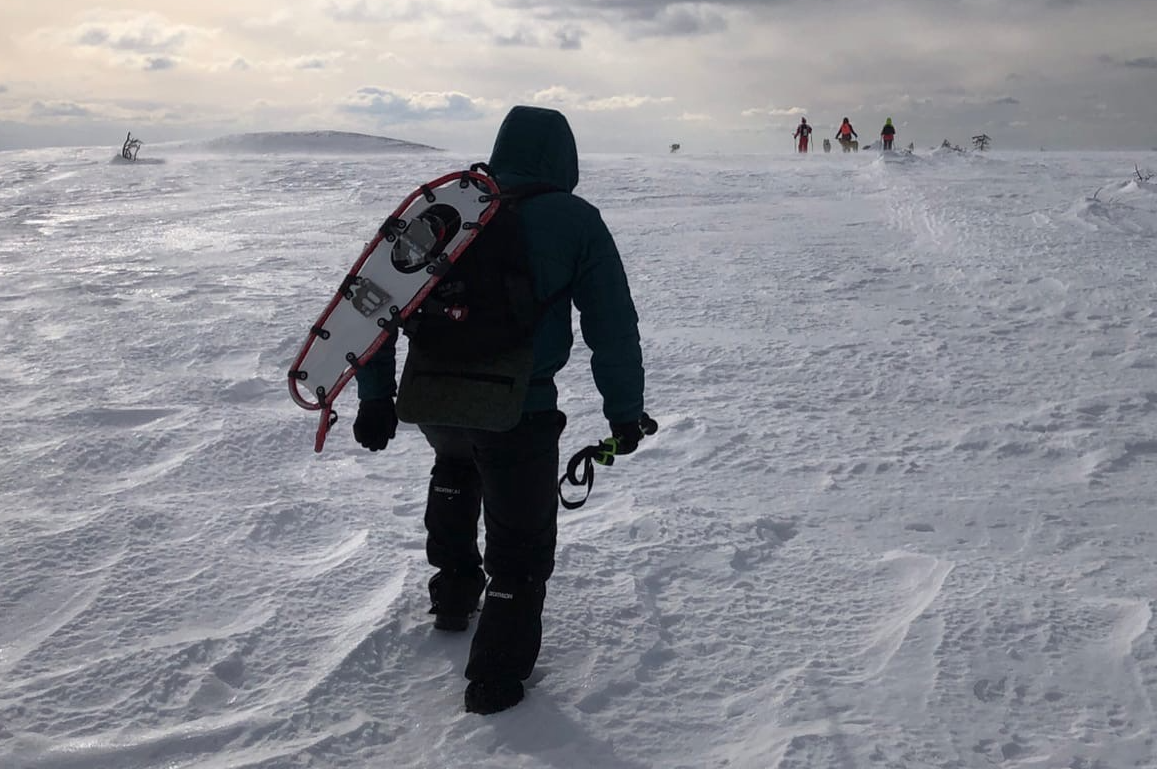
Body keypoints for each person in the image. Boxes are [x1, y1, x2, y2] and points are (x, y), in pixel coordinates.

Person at [351, 105, 649, 715]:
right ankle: (495, 680)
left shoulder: (449, 208)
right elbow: (611, 326)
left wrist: (375, 397)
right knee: (520, 546)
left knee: (457, 470)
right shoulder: (574, 220)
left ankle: (454, 597)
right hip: (520, 407)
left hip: (433, 399)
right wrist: (625, 411)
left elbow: (374, 303)